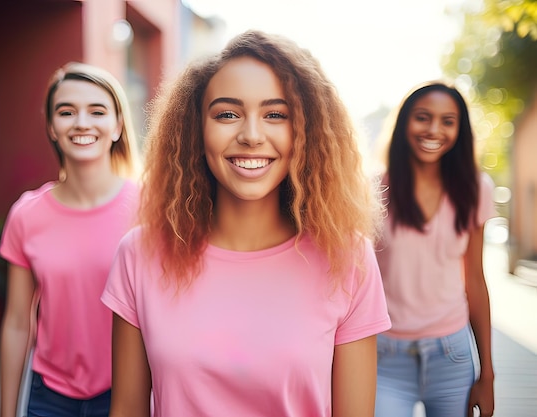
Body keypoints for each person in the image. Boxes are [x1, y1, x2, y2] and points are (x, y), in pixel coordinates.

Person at [101, 30, 391, 417]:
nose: (251, 135)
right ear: (195, 129)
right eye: (227, 114)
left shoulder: (348, 258)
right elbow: (126, 410)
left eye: (275, 114)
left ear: (307, 131)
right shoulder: (139, 254)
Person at [0, 61, 142, 417]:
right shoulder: (27, 213)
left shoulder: (150, 206)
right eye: (66, 112)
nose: (81, 123)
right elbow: (18, 322)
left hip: (129, 393)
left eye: (97, 111)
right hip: (50, 398)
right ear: (51, 125)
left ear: (117, 125)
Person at [373, 82, 496, 417]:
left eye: (447, 121)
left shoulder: (476, 190)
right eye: (422, 118)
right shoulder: (373, 191)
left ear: (460, 129)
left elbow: (474, 280)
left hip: (451, 356)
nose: (433, 130)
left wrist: (488, 374)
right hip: (384, 356)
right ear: (403, 123)